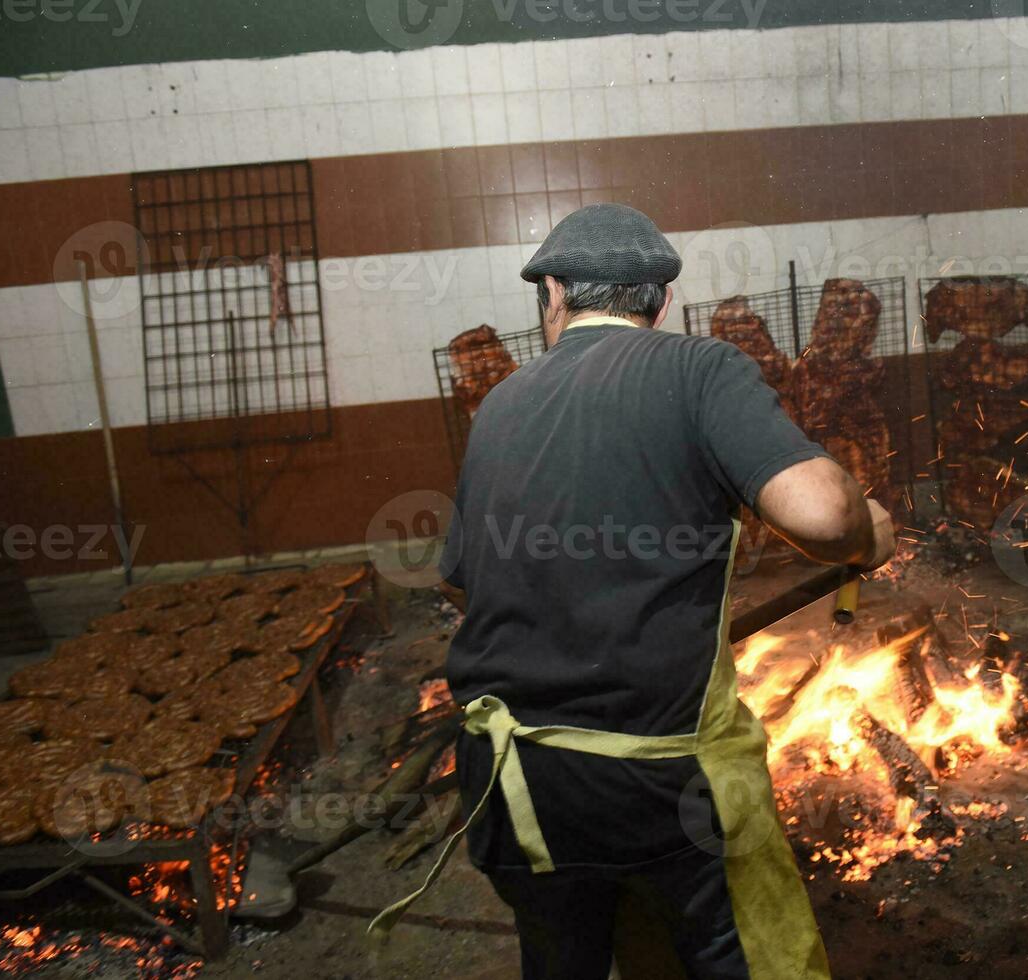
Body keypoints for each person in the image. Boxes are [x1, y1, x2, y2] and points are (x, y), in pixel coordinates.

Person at [370, 204, 894, 978]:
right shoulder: (699, 369)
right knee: (730, 954)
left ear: (552, 294)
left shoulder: (501, 406)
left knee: (566, 961)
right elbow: (820, 513)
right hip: (657, 780)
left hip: (515, 784)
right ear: (663, 302)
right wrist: (864, 534)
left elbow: (462, 588)